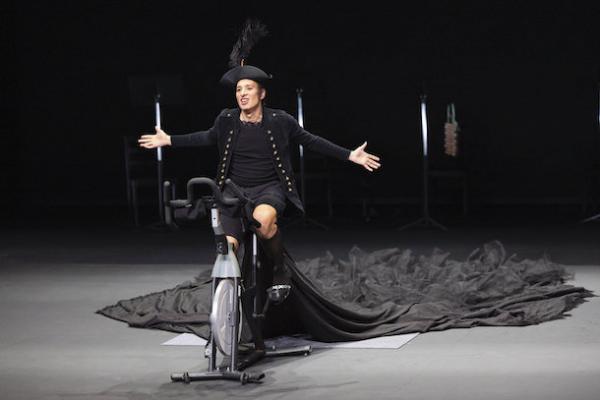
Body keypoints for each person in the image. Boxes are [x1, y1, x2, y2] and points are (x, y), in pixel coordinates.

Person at [138, 21, 380, 303]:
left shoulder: (281, 121)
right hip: (232, 191)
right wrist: (169, 140)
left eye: (248, 88)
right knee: (226, 246)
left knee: (264, 223)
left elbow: (311, 141)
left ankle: (279, 268)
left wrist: (349, 154)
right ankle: (232, 299)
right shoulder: (226, 119)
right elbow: (205, 137)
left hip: (269, 189)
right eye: (238, 89)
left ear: (262, 93)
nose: (242, 93)